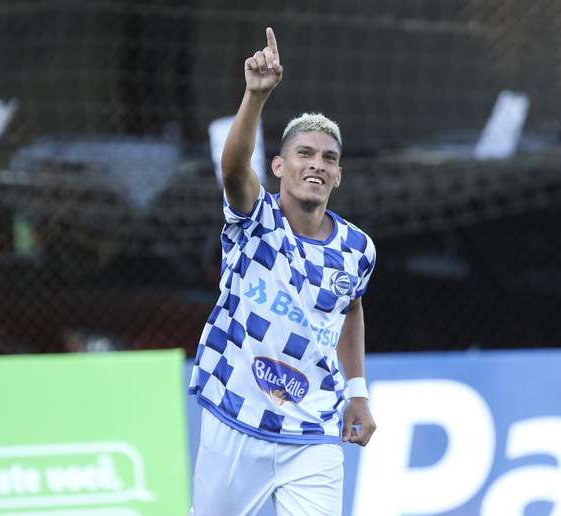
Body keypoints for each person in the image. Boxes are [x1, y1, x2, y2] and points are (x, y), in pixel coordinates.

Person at [188, 27, 377, 516]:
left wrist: (357, 392)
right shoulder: (256, 219)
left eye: (329, 159)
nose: (317, 165)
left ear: (338, 175)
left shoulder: (357, 249)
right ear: (278, 165)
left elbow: (350, 308)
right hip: (236, 417)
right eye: (305, 154)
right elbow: (232, 170)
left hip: (312, 431)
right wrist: (255, 96)